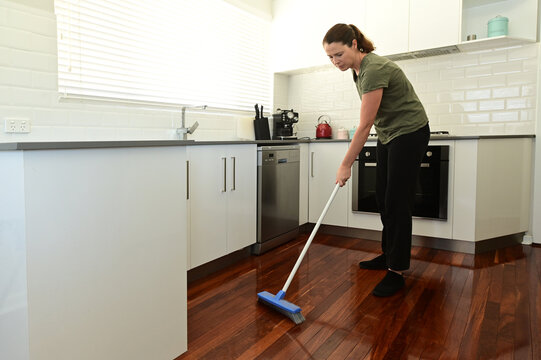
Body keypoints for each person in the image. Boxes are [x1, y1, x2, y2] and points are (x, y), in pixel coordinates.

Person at [323, 23, 430, 297]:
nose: (335, 62)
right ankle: (388, 254)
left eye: (338, 54)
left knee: (397, 201)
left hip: (409, 132)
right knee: (383, 198)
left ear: (355, 45)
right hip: (390, 135)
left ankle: (396, 270)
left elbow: (365, 124)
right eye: (330, 57)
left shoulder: (373, 69)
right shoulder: (357, 71)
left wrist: (346, 164)